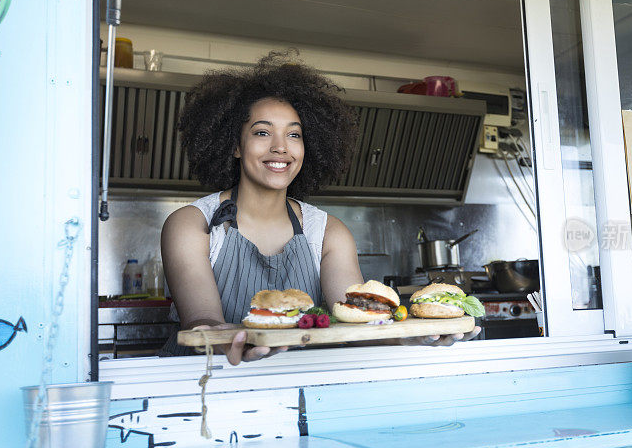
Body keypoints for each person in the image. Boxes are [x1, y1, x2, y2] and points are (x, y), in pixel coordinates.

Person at [160, 51, 479, 364]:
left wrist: (409, 336)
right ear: (234, 145)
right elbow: (201, 320)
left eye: (294, 134)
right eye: (262, 132)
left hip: (303, 386)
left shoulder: (328, 233)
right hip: (201, 389)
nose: (280, 147)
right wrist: (229, 339)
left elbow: (357, 321)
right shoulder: (192, 224)